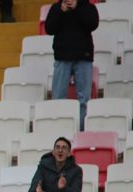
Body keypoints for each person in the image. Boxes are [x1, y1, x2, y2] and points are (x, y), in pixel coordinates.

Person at [45, 0, 98, 130]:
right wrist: (60, 11)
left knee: (84, 99)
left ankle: (80, 130)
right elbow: (49, 29)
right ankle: (59, 130)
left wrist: (77, 8)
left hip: (83, 57)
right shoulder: (56, 8)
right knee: (58, 98)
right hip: (62, 57)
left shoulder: (88, 7)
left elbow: (92, 24)